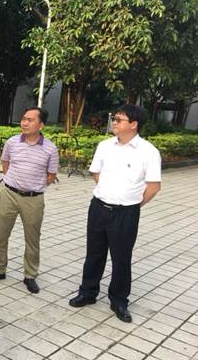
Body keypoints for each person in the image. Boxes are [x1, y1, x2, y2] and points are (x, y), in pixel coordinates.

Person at [69, 105, 161, 323]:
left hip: (126, 213)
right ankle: (88, 292)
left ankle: (119, 300)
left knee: (121, 258)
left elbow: (154, 186)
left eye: (119, 119)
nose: (114, 122)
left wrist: (132, 204)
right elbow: (96, 173)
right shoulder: (104, 146)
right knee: (94, 253)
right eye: (114, 118)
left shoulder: (148, 152)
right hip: (98, 208)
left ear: (134, 124)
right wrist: (108, 193)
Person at [0, 107, 59, 294]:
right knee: (1, 233)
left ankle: (30, 275)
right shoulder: (12, 142)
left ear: (41, 125)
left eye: (30, 120)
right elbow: (6, 163)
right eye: (24, 119)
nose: (24, 123)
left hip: (33, 198)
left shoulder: (50, 148)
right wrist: (13, 180)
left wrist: (34, 185)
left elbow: (51, 175)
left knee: (32, 238)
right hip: (9, 193)